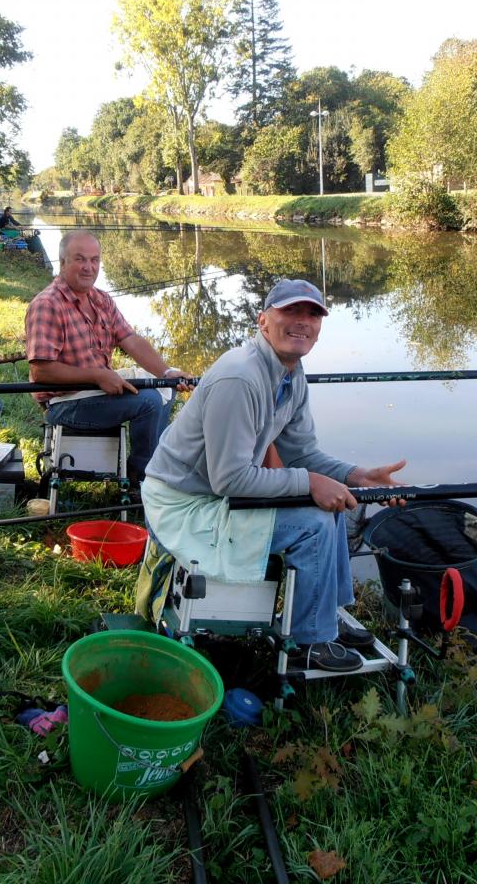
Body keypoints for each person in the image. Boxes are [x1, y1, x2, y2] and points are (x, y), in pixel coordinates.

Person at [141, 279, 407, 672]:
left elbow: (304, 453)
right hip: (183, 505)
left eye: (313, 315)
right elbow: (230, 480)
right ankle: (310, 643)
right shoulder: (241, 377)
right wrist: (309, 484)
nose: (302, 323)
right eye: (291, 312)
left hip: (215, 495)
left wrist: (357, 475)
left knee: (328, 511)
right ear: (263, 321)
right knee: (314, 522)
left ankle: (325, 618)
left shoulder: (291, 375)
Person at [25, 230, 191, 483]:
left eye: (94, 260)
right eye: (80, 259)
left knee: (165, 388)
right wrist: (97, 375)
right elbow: (42, 372)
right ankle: (143, 477)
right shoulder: (47, 304)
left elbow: (131, 340)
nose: (88, 267)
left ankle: (152, 465)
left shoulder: (101, 299)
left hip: (97, 392)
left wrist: (167, 373)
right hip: (64, 403)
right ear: (63, 263)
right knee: (148, 401)